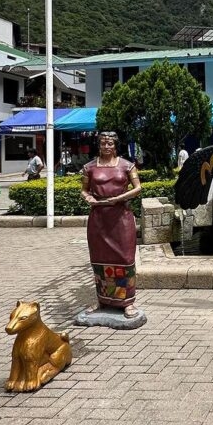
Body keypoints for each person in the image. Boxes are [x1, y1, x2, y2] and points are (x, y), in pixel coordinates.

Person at [80, 132, 142, 318]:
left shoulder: (127, 165)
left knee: (124, 259)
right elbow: (84, 190)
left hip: (121, 216)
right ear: (98, 145)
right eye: (103, 143)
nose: (106, 147)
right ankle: (103, 299)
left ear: (115, 146)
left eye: (110, 144)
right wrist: (89, 198)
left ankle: (127, 302)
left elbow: (138, 188)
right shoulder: (89, 167)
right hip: (99, 218)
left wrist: (119, 198)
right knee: (100, 259)